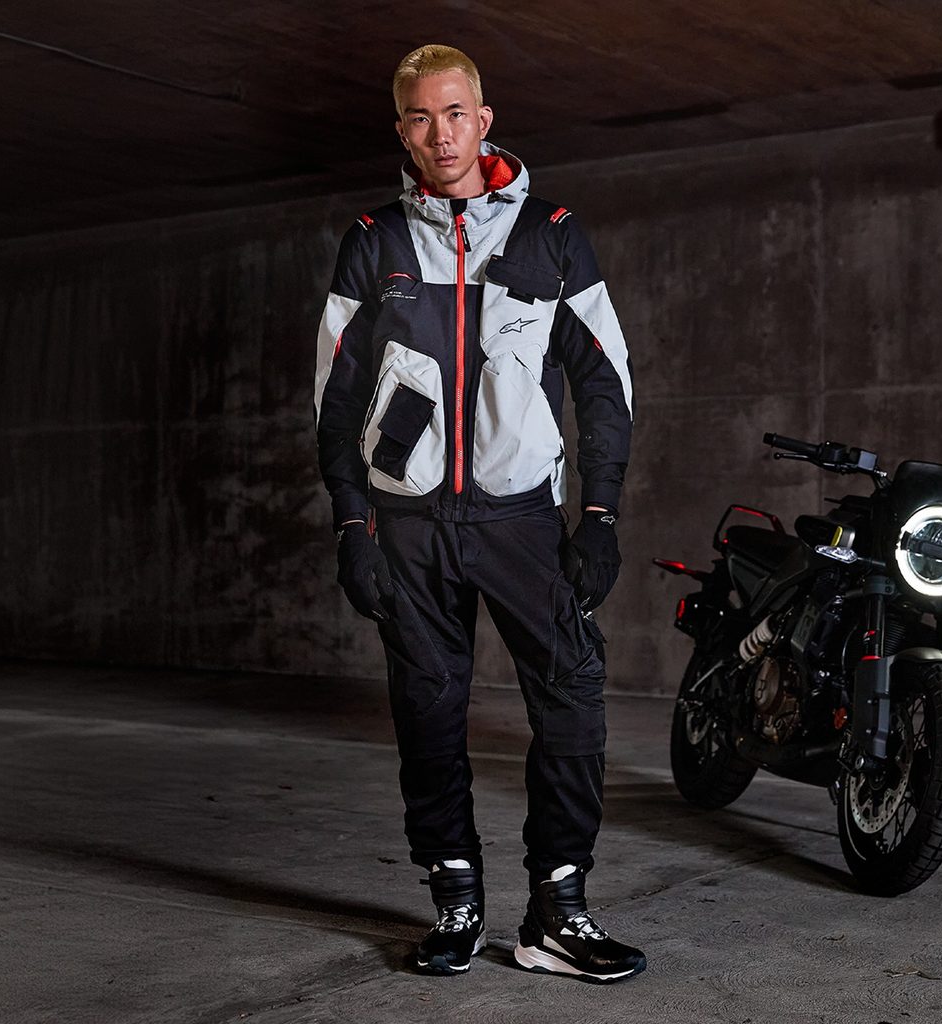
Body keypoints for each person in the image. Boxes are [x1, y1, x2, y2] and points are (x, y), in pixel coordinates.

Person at [314, 43, 644, 983]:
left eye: (455, 113)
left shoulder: (551, 232)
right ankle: (455, 899)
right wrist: (350, 525)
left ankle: (558, 911)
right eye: (420, 118)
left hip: (521, 519)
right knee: (429, 712)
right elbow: (336, 399)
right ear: (402, 131)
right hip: (408, 525)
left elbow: (604, 381)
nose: (440, 134)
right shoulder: (375, 240)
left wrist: (600, 514)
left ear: (484, 120)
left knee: (572, 700)